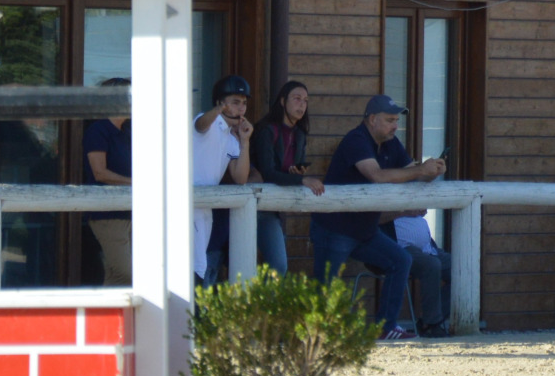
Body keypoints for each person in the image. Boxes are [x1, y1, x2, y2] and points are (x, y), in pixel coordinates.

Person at [310, 95, 446, 342]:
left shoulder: (391, 142)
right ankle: (315, 336)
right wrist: (419, 170)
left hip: (364, 229)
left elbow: (412, 175)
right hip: (335, 227)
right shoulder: (356, 139)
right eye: (390, 120)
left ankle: (386, 327)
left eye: (396, 120)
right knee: (325, 286)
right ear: (372, 120)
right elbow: (377, 176)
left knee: (400, 260)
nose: (395, 126)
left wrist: (432, 172)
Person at [375, 120, 453, 337]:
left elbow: (420, 178)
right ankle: (432, 324)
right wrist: (403, 211)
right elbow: (374, 218)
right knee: (432, 265)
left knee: (462, 268)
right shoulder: (378, 180)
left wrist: (434, 171)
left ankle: (430, 319)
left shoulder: (407, 170)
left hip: (428, 246)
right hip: (398, 246)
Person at [249, 80, 324, 274]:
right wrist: (302, 180)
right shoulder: (266, 130)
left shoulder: (299, 134)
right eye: (297, 98)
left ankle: (264, 305)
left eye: (306, 100)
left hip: (272, 208)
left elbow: (286, 171)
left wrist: (296, 173)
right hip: (252, 204)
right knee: (241, 266)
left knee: (278, 267)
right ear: (282, 101)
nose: (302, 104)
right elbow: (267, 172)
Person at [191, 75, 254, 283]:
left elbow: (240, 177)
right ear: (220, 102)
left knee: (198, 268)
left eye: (244, 103)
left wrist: (244, 142)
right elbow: (201, 125)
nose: (241, 108)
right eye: (235, 102)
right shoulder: (207, 121)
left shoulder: (231, 138)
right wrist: (218, 111)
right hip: (187, 207)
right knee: (190, 269)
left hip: (205, 210)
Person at [82, 77, 133, 286]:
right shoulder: (98, 130)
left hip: (129, 211)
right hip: (107, 214)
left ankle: (109, 318)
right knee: (126, 272)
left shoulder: (128, 131)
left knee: (117, 275)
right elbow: (99, 172)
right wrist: (135, 183)